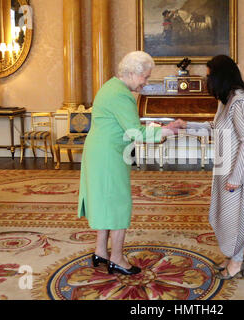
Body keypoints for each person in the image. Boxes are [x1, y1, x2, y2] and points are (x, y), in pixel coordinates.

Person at [77, 51, 177, 276]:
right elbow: (135, 132)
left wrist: (156, 128)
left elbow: (126, 124)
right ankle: (117, 258)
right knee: (119, 203)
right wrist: (166, 131)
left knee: (106, 202)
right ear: (132, 73)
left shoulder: (111, 87)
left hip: (100, 153)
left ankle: (101, 252)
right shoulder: (122, 95)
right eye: (146, 77)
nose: (146, 83)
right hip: (108, 157)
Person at [170, 55, 244, 279]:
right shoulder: (227, 100)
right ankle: (234, 257)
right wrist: (187, 125)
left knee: (238, 213)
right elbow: (216, 127)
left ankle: (238, 261)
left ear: (221, 76)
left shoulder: (240, 102)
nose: (207, 79)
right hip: (228, 165)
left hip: (241, 169)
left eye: (210, 75)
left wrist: (237, 178)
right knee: (228, 213)